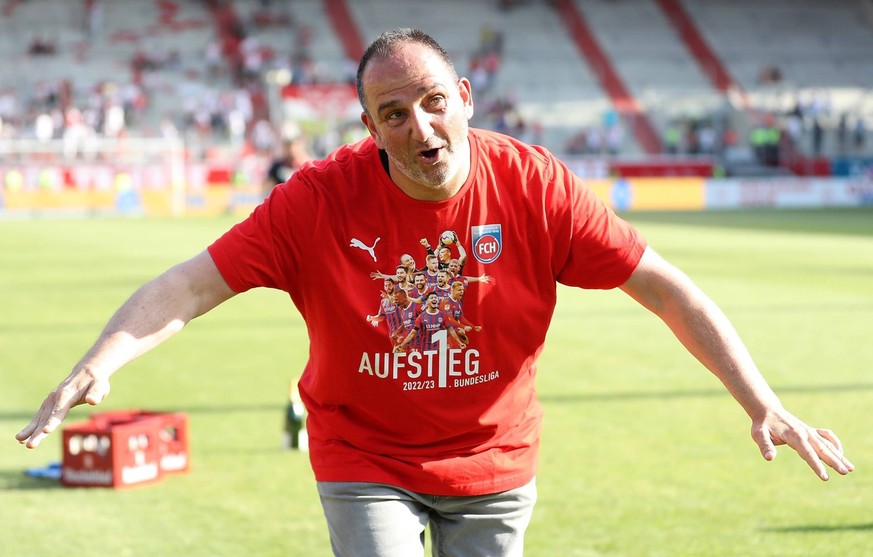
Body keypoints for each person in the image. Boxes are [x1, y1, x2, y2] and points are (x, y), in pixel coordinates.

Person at [16, 28, 853, 557]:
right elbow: (191, 284)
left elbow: (665, 289)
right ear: (368, 129)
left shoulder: (534, 185)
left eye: (431, 102)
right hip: (363, 451)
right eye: (392, 113)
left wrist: (761, 400)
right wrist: (104, 357)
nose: (419, 127)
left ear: (464, 99)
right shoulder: (315, 199)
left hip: (494, 454)